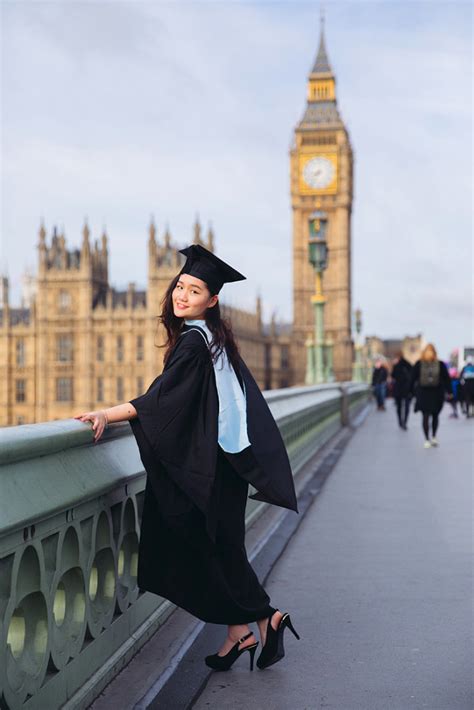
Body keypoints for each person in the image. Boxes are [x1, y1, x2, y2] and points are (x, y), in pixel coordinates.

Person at [75, 243, 300, 672]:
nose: (182, 295)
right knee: (222, 548)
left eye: (194, 290)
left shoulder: (195, 343)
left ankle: (264, 617)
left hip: (211, 471)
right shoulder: (215, 338)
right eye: (180, 285)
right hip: (228, 465)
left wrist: (108, 412)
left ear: (211, 300)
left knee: (201, 547)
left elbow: (162, 400)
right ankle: (240, 633)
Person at [410, 343, 453, 448]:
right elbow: (447, 379)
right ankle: (434, 436)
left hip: (423, 393)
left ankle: (426, 440)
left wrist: (410, 392)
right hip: (436, 393)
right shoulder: (440, 364)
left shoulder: (419, 364)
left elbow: (412, 379)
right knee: (435, 416)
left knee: (425, 416)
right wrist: (450, 392)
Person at [390, 352, 412, 430]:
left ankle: (400, 421)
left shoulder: (396, 366)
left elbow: (392, 375)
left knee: (399, 407)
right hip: (407, 389)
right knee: (407, 407)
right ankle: (405, 422)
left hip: (398, 389)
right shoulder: (408, 365)